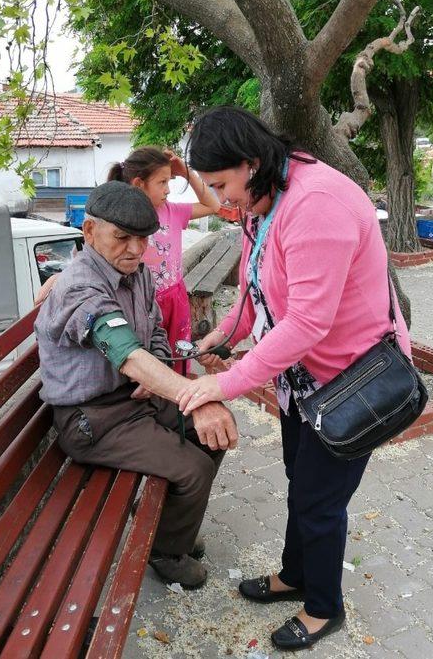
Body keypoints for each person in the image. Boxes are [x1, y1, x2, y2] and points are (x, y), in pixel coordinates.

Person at [174, 107, 411, 650]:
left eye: (221, 185)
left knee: (318, 500)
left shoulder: (315, 204)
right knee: (299, 481)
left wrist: (223, 385)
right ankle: (295, 575)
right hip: (305, 383)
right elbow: (257, 285)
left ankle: (324, 607)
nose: (222, 199)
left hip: (355, 382)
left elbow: (307, 321)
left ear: (250, 163)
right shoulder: (266, 197)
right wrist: (225, 335)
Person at [34, 181, 238, 589]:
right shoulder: (80, 287)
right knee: (193, 467)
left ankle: (171, 528)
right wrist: (191, 397)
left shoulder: (138, 274)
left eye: (141, 239)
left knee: (212, 435)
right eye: (121, 237)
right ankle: (165, 552)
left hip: (130, 399)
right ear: (90, 232)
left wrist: (158, 372)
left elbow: (155, 335)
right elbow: (126, 353)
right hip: (92, 420)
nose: (133, 249)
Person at [107, 146, 221, 363]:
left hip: (175, 298)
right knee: (150, 360)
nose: (168, 189)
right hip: (141, 303)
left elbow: (213, 205)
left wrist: (186, 171)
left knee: (178, 356)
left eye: (169, 182)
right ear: (139, 185)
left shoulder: (172, 211)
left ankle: (177, 395)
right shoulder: (121, 220)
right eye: (162, 182)